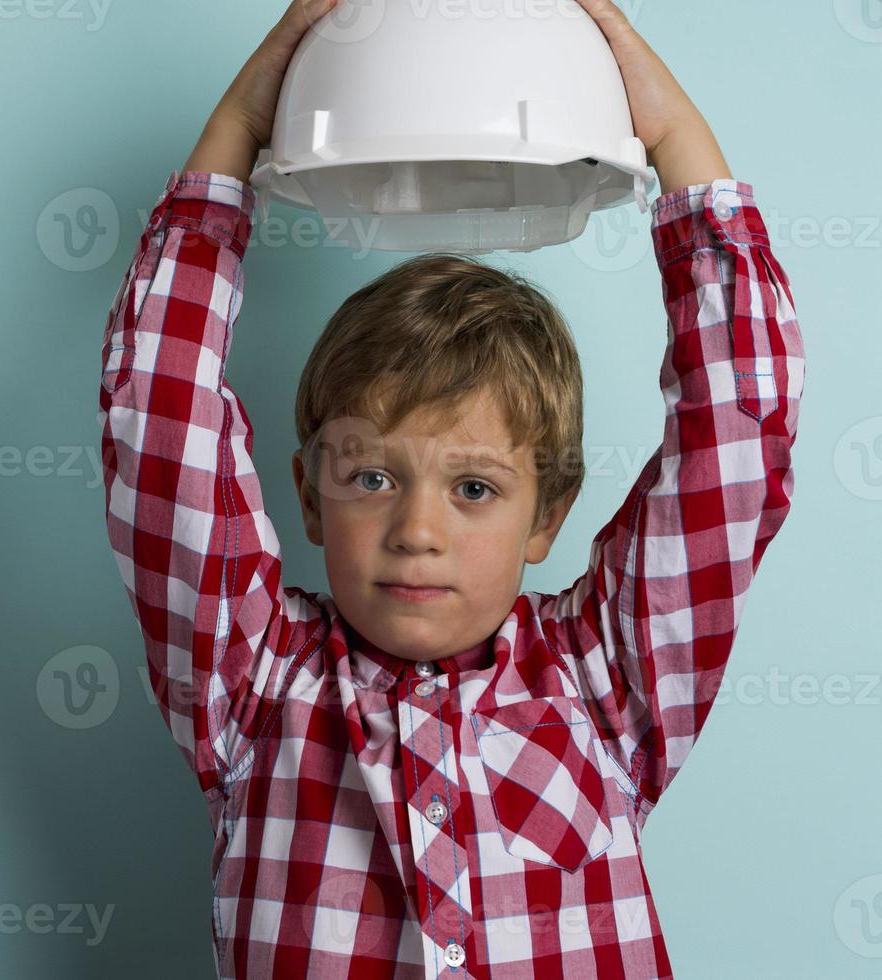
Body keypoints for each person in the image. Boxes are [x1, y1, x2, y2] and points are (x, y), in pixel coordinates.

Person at [95, 0, 804, 975]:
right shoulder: (251, 683)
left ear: (547, 511)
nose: (416, 529)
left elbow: (736, 430)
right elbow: (159, 418)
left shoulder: (606, 685)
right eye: (373, 475)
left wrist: (676, 140)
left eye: (473, 487)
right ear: (309, 496)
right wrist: (240, 129)